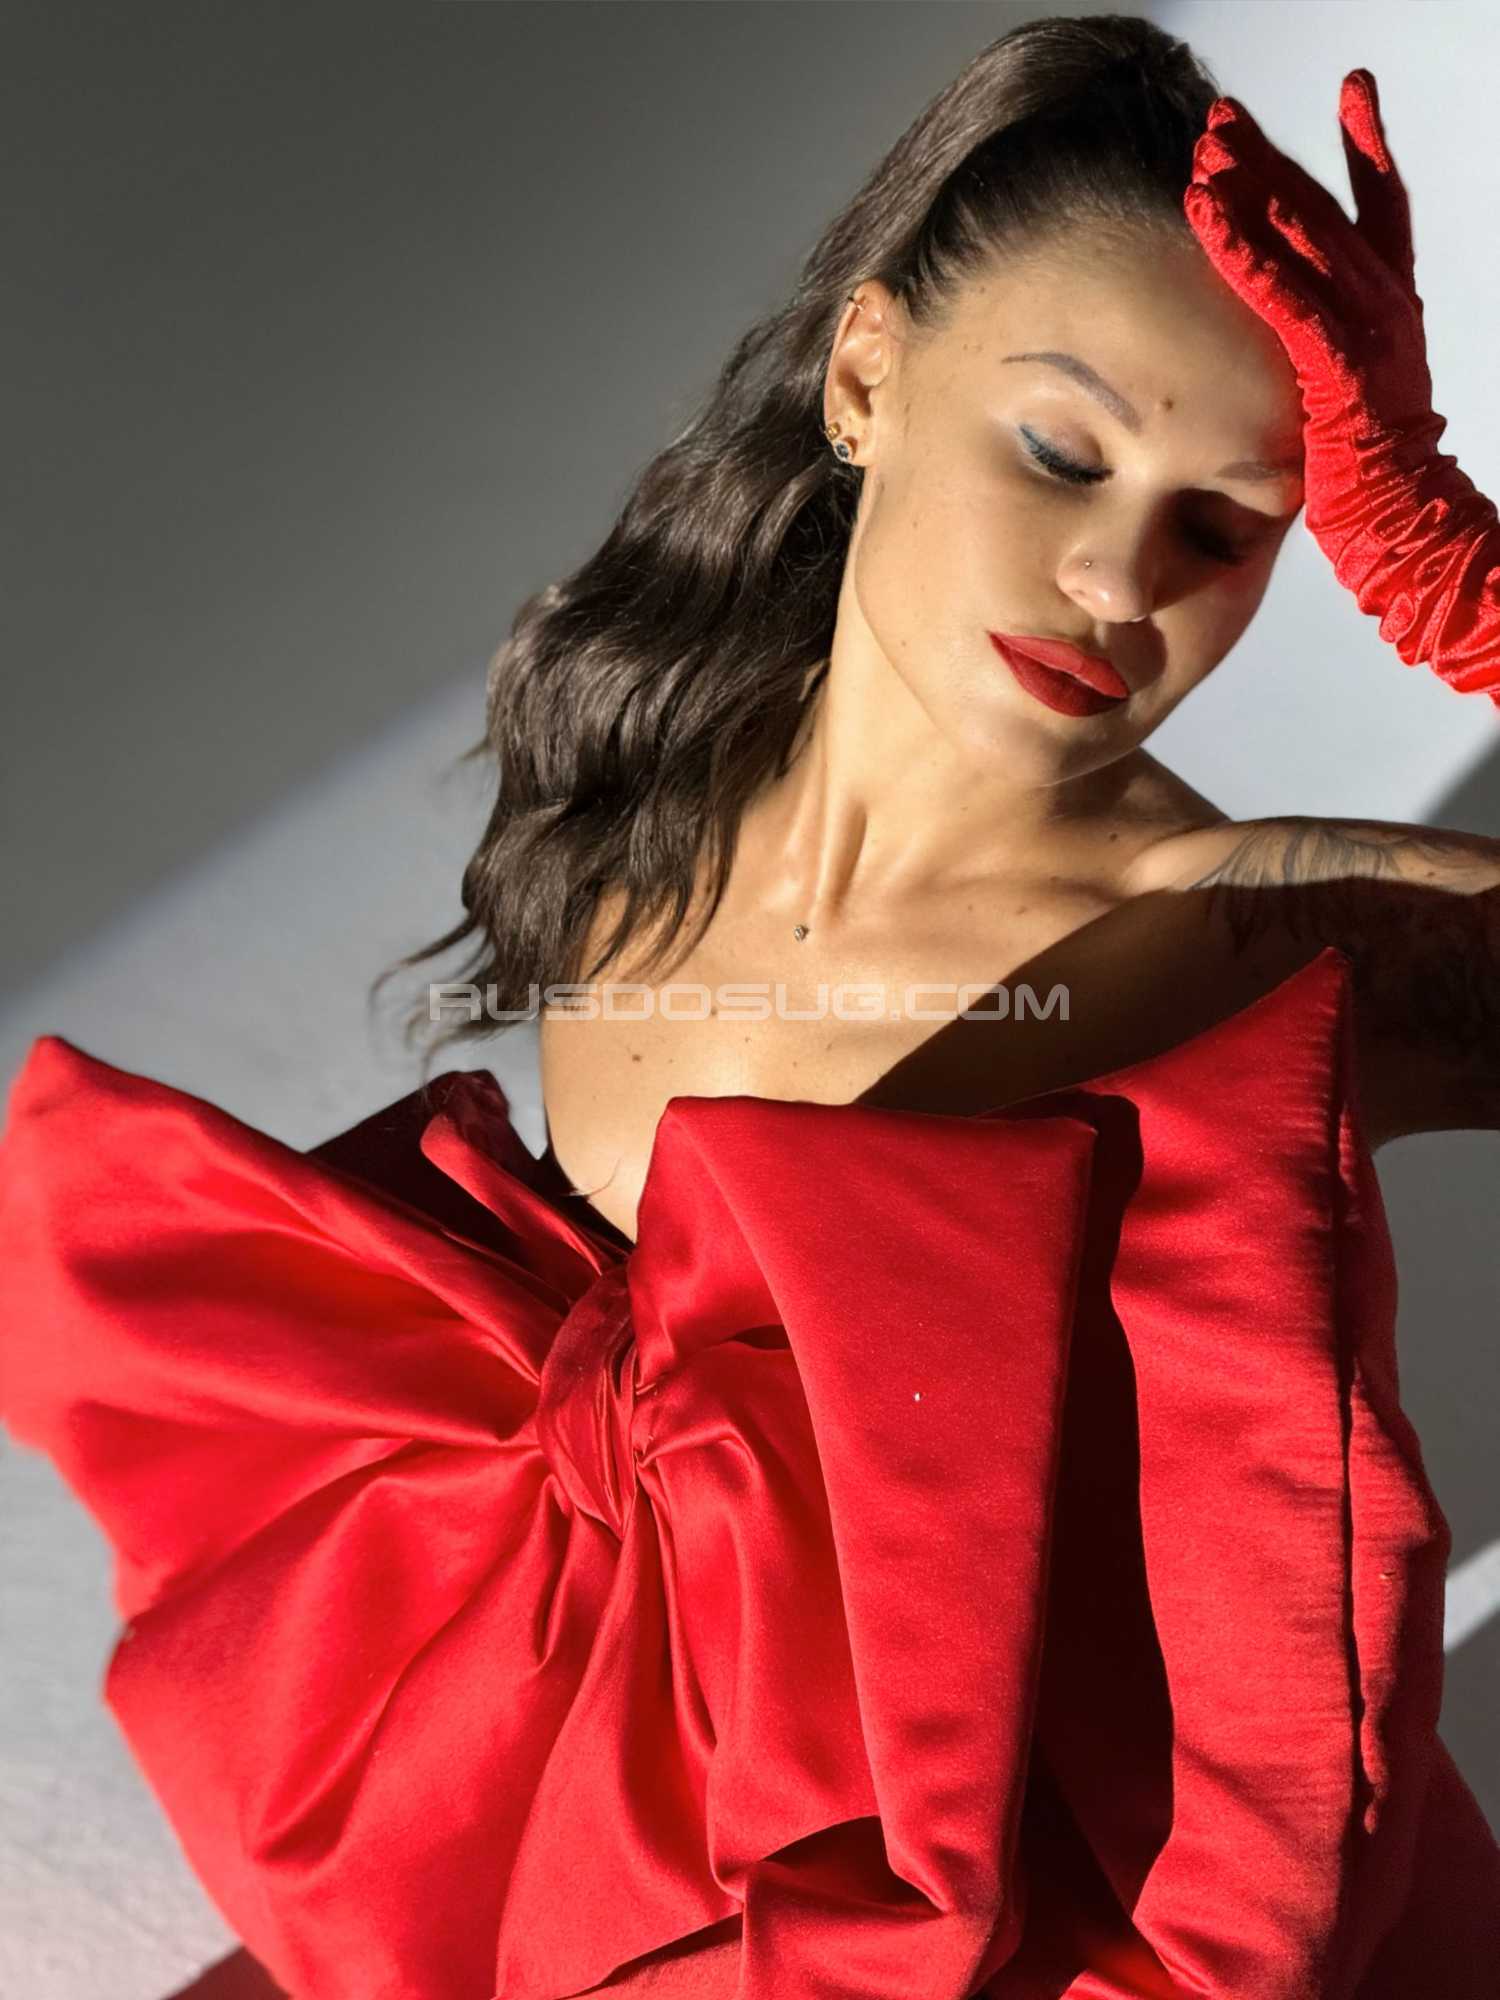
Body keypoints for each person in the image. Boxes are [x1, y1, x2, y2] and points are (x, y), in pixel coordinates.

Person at [3, 14, 1498, 1999]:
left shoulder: (1237, 937)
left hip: (961, 1907)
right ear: (867, 375)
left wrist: (1461, 583)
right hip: (570, 1764)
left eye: (1224, 525)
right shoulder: (665, 740)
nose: (1115, 576)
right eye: (1060, 449)